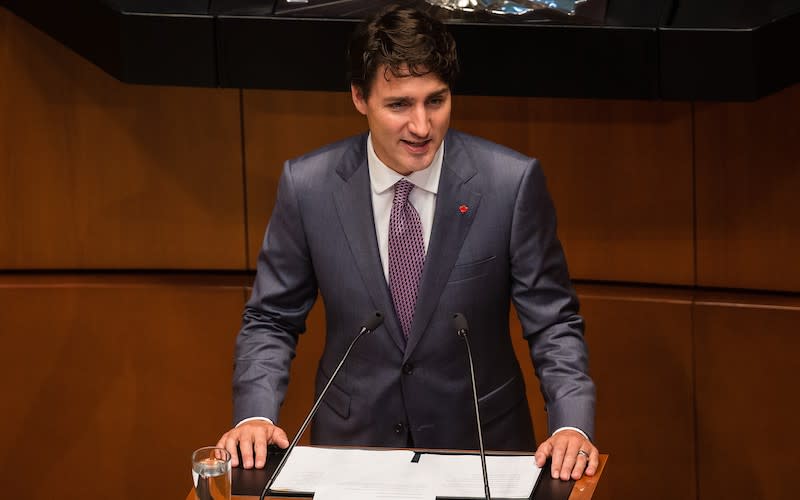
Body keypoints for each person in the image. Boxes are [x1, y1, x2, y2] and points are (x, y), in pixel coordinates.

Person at [217, 4, 598, 481]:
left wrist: (572, 425)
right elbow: (271, 319)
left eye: (435, 101)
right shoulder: (308, 186)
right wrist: (255, 414)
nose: (421, 127)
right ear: (359, 97)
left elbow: (554, 322)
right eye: (399, 105)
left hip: (480, 451)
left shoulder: (510, 184)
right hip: (354, 453)